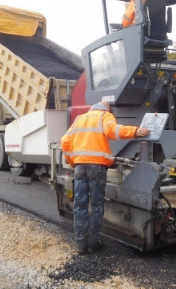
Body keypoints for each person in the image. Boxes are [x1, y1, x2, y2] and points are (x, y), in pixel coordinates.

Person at [61, 102, 150, 255]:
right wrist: (135, 131)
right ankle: (93, 243)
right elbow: (113, 130)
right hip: (97, 167)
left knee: (80, 205)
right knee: (96, 205)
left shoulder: (79, 119)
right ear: (107, 109)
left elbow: (65, 142)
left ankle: (81, 245)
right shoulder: (105, 116)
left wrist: (72, 161)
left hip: (80, 166)